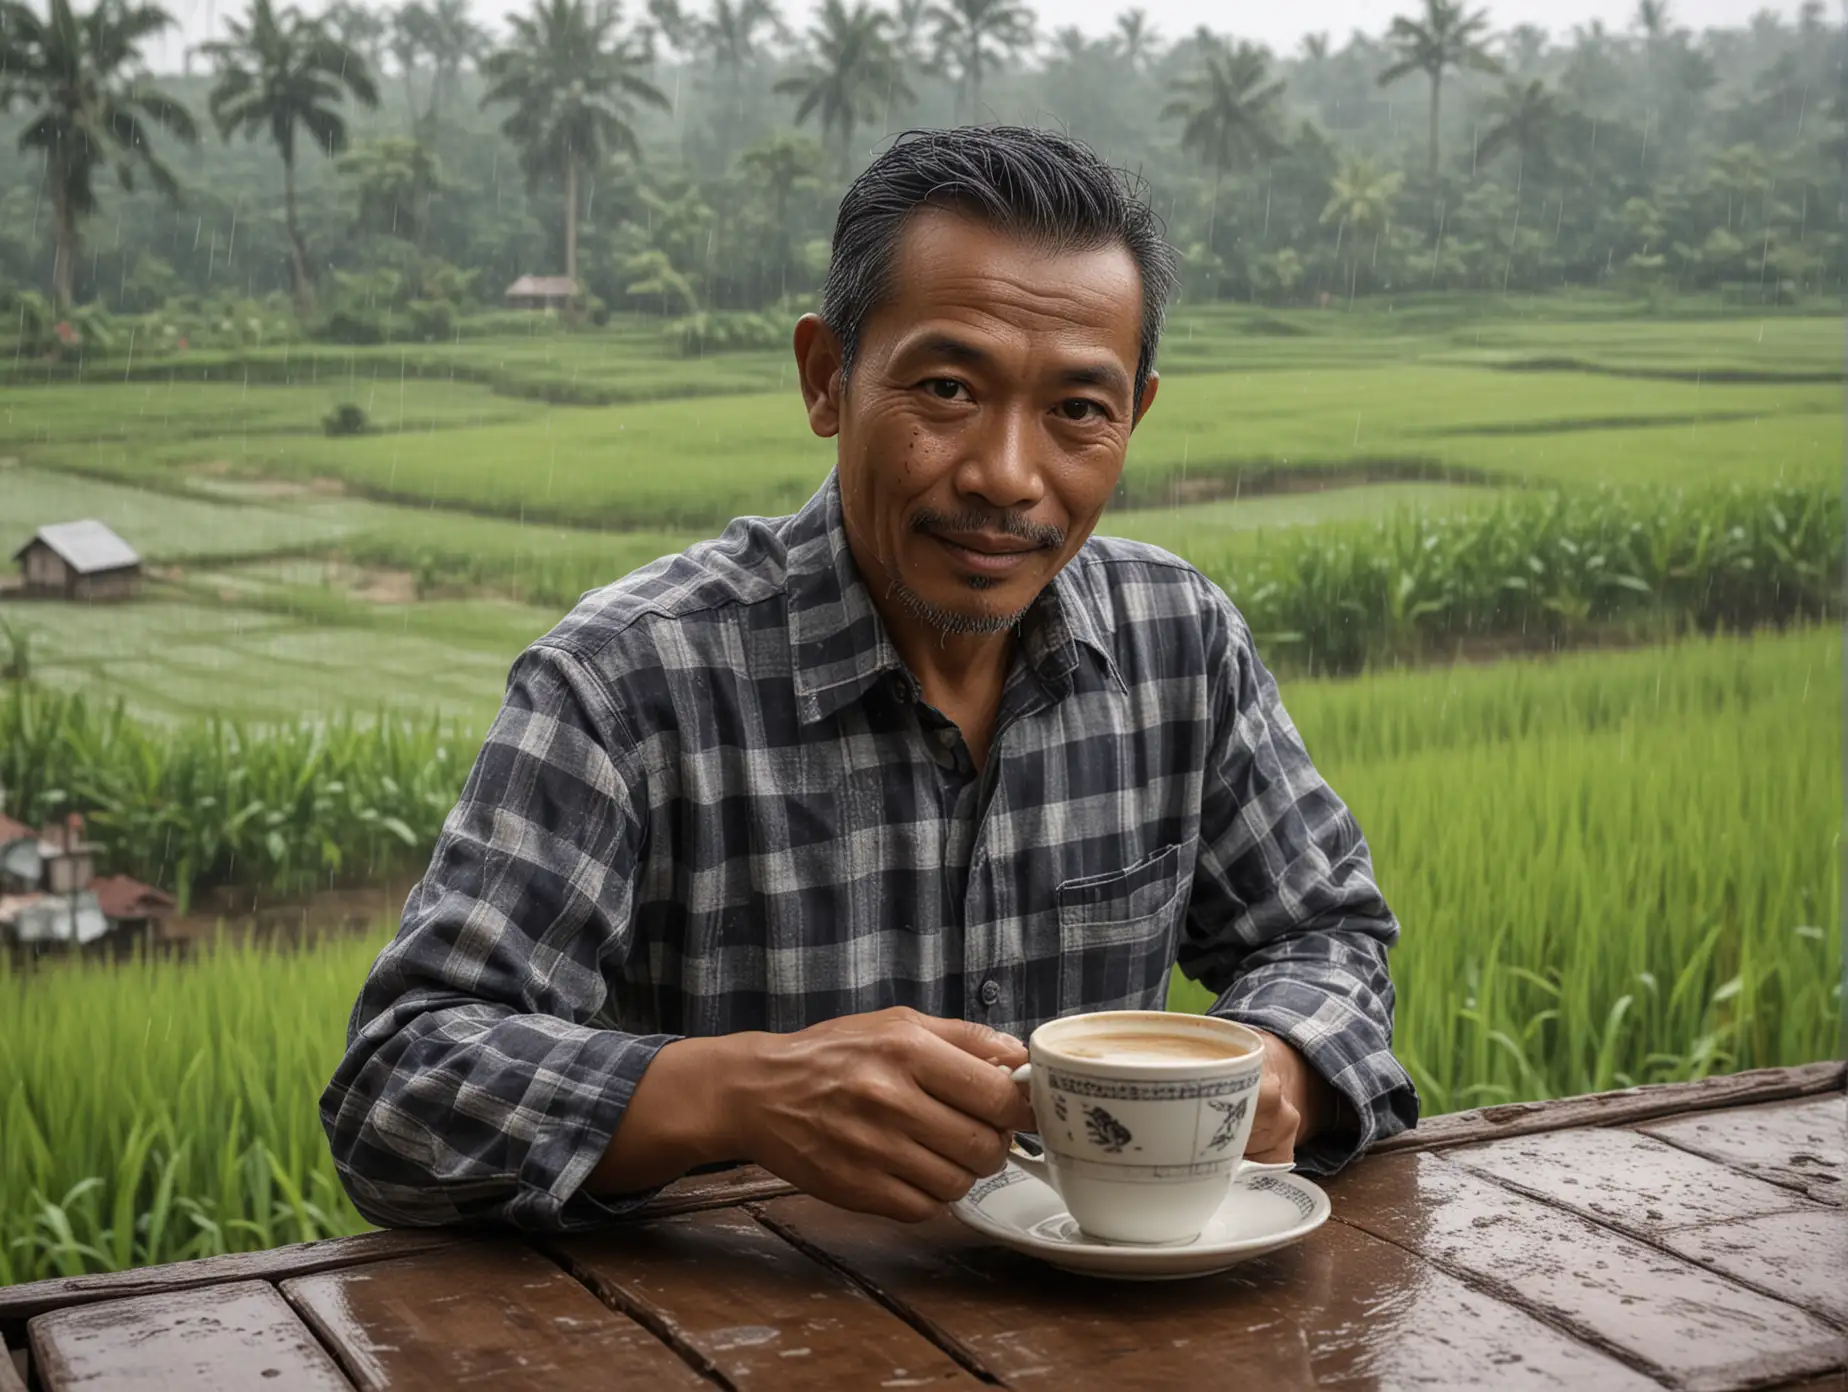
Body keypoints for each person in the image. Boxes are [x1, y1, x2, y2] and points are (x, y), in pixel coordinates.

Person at [322, 126, 1418, 1233]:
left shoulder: (1177, 641)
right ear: (825, 379)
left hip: (1093, 1335)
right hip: (733, 1336)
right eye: (947, 388)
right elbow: (398, 1083)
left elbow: (1323, 932)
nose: (1006, 475)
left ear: (1133, 415)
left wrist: (1279, 1065)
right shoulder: (626, 683)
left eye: (1078, 409)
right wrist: (739, 1094)